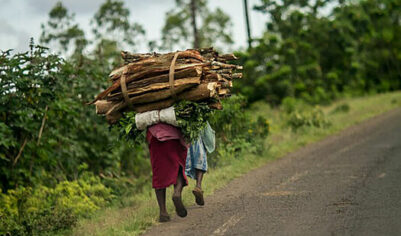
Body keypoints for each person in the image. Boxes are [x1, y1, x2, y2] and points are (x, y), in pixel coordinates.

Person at [146, 122, 189, 222]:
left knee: (159, 173)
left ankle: (163, 212)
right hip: (174, 136)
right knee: (178, 168)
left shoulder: (146, 108)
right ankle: (177, 193)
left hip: (155, 136)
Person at [185, 122, 215, 206]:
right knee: (200, 156)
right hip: (195, 130)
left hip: (181, 133)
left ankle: (177, 193)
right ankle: (198, 186)